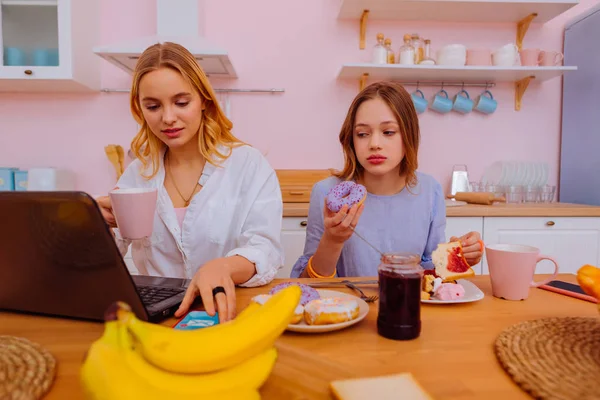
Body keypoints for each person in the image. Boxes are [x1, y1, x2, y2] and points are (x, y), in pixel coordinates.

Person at [96, 42, 284, 322]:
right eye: (153, 106)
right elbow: (107, 257)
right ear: (140, 109)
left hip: (226, 313)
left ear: (204, 100)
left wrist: (225, 266)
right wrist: (97, 229)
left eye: (181, 102)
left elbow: (265, 249)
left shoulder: (248, 165)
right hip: (155, 319)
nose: (168, 118)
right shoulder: (138, 174)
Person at [291, 81, 482, 278]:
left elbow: (434, 272)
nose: (374, 144)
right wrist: (333, 240)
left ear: (408, 134)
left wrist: (462, 254)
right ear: (351, 139)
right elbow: (307, 283)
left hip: (409, 305)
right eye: (362, 134)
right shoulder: (326, 193)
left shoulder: (429, 190)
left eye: (388, 132)